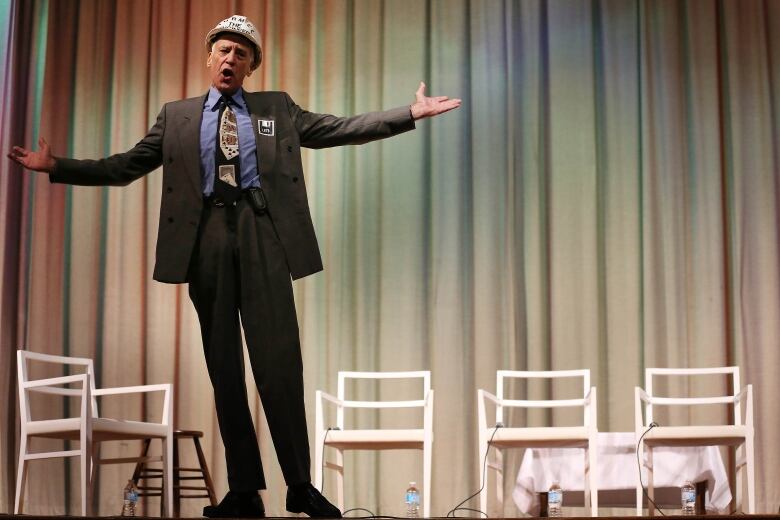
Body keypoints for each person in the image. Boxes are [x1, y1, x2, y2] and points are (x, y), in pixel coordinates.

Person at [8, 14, 460, 519]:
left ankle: (300, 486)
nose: (230, 59)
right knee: (224, 368)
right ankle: (245, 491)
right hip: (206, 242)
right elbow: (125, 165)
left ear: (251, 66)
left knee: (279, 365)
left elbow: (337, 129)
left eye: (241, 54)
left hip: (262, 231)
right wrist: (58, 166)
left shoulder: (276, 108)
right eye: (223, 50)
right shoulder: (176, 115)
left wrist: (409, 113)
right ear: (209, 58)